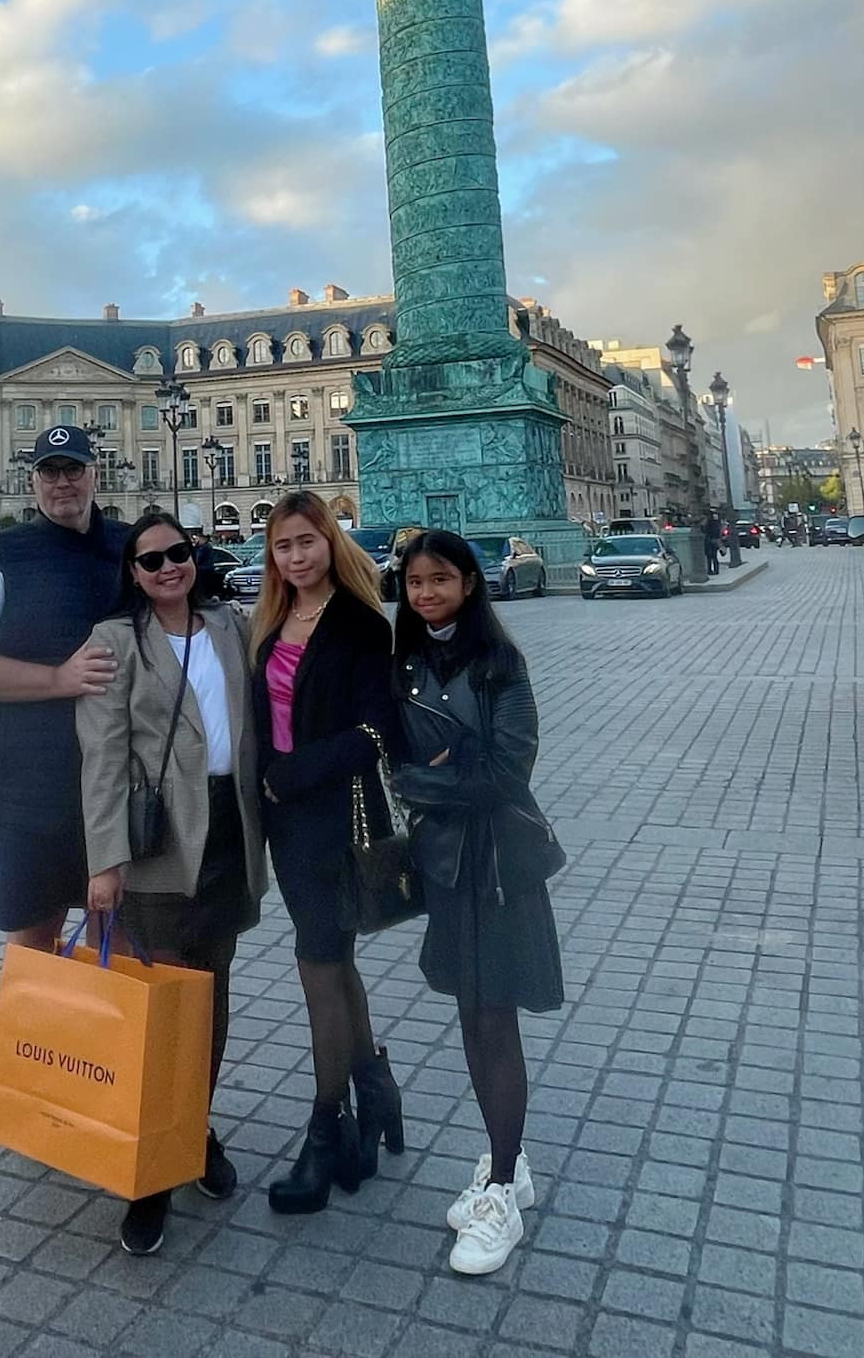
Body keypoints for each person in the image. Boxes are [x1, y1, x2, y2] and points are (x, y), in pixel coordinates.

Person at [77, 510, 267, 1257]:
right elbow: (101, 757)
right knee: (161, 1012)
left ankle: (192, 1132)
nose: (167, 568)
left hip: (228, 834)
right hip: (157, 841)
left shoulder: (229, 626)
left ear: (195, 557)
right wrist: (104, 860)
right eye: (150, 560)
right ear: (133, 573)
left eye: (177, 554)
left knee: (210, 1000)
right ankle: (149, 1175)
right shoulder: (115, 641)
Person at [390, 531, 565, 1278]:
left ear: (469, 583)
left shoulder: (499, 662)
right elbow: (395, 758)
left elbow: (505, 770)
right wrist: (432, 770)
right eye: (415, 582)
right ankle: (507, 1163)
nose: (426, 593)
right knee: (471, 1011)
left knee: (494, 1017)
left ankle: (501, 1191)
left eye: (440, 580)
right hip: (445, 865)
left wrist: (424, 778)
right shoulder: (407, 661)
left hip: (495, 865)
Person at [251, 489, 402, 1214]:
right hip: (286, 822)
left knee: (318, 963)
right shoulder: (271, 618)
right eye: (283, 546)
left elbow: (376, 732)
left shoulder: (362, 623)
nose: (296, 556)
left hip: (337, 814)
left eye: (306, 541)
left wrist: (293, 773)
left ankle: (326, 1127)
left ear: (330, 541)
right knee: (334, 961)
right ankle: (376, 1091)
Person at [0, 426, 129, 949]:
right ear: (33, 482)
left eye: (73, 469)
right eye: (49, 471)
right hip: (25, 794)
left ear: (95, 474)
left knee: (115, 939)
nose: (62, 482)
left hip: (115, 787)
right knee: (35, 943)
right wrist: (58, 679)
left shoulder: (130, 546)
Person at [702, 511, 722, 575]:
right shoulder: (716, 523)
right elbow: (718, 533)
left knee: (709, 557)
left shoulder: (708, 523)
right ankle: (716, 570)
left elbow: (705, 531)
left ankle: (710, 570)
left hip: (709, 541)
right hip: (714, 541)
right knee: (714, 556)